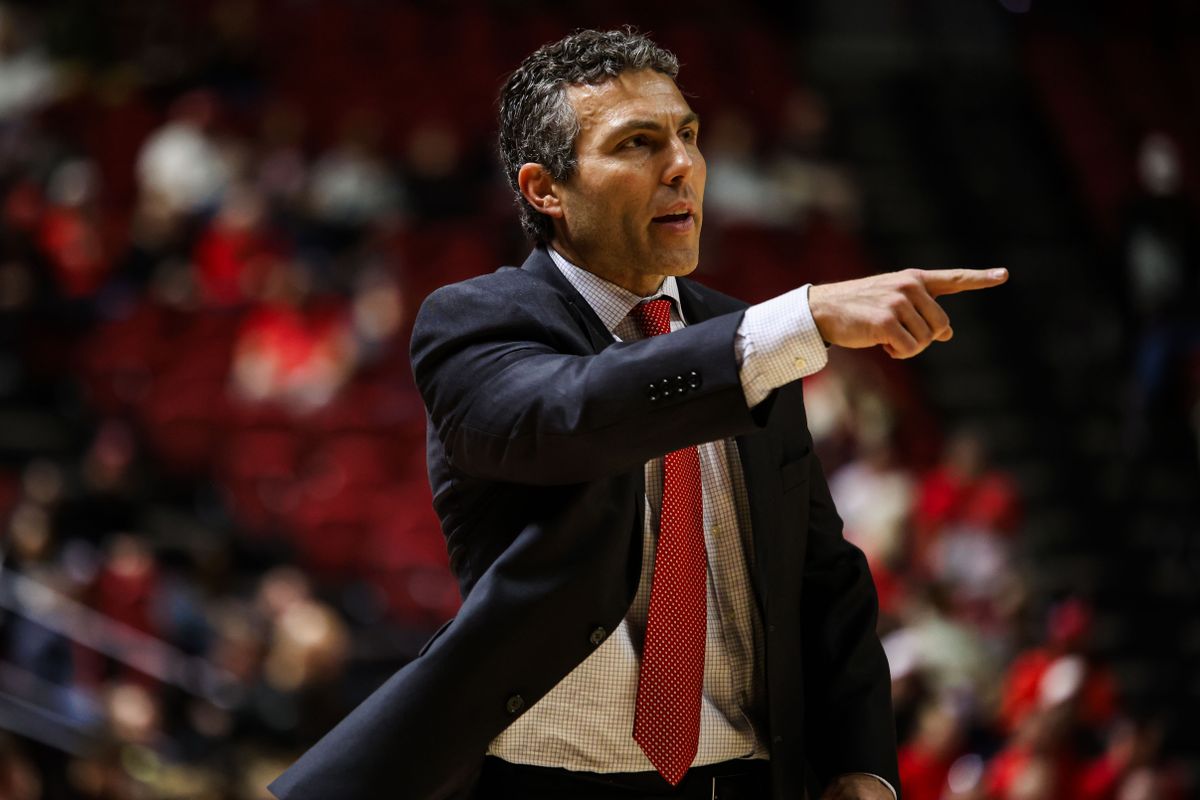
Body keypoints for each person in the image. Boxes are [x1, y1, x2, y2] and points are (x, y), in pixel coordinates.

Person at [268, 28, 1007, 800]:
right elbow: (574, 416)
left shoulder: (748, 340)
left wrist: (862, 765)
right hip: (544, 781)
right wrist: (800, 319)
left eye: (688, 134)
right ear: (545, 190)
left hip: (746, 778)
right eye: (638, 143)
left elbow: (820, 574)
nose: (683, 165)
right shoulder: (476, 322)